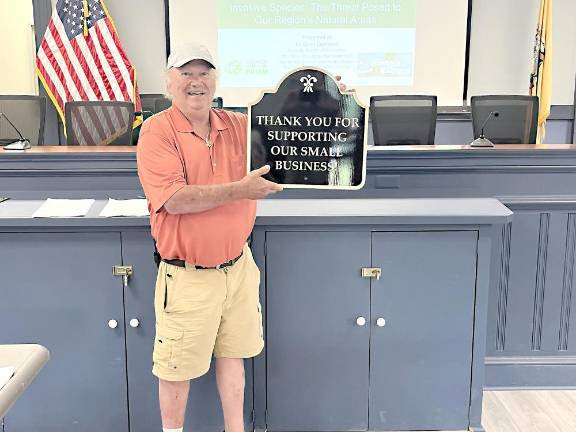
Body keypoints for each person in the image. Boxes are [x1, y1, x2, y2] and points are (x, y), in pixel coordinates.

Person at [136, 43, 283, 432]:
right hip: (187, 276)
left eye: (204, 73)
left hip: (238, 267)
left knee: (234, 356)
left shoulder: (238, 125)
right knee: (175, 369)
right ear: (169, 81)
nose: (196, 82)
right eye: (186, 73)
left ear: (215, 80)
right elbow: (175, 200)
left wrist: (327, 99)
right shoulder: (156, 132)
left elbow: (290, 134)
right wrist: (239, 190)